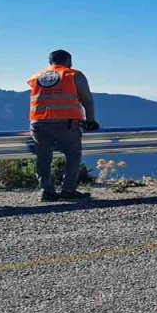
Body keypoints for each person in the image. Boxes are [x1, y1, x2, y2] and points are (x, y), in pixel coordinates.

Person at [28, 49, 100, 201]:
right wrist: (91, 120)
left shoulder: (36, 77)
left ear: (50, 62)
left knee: (43, 158)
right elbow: (86, 99)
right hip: (66, 123)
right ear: (68, 60)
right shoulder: (73, 75)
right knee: (73, 155)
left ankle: (46, 192)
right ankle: (68, 190)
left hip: (39, 122)